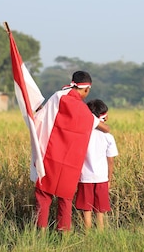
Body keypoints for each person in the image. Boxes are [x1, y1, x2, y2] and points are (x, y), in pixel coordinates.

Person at [33, 71, 110, 232]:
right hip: (68, 162)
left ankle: (38, 235)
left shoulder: (57, 96)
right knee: (65, 197)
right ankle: (64, 234)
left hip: (49, 156)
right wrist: (105, 126)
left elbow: (41, 116)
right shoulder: (77, 105)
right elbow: (97, 124)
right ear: (87, 89)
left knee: (43, 196)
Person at [75, 99, 118, 230]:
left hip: (84, 177)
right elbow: (110, 160)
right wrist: (109, 178)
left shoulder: (82, 134)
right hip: (101, 177)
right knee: (100, 209)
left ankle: (87, 233)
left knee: (86, 209)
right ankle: (101, 232)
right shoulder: (108, 136)